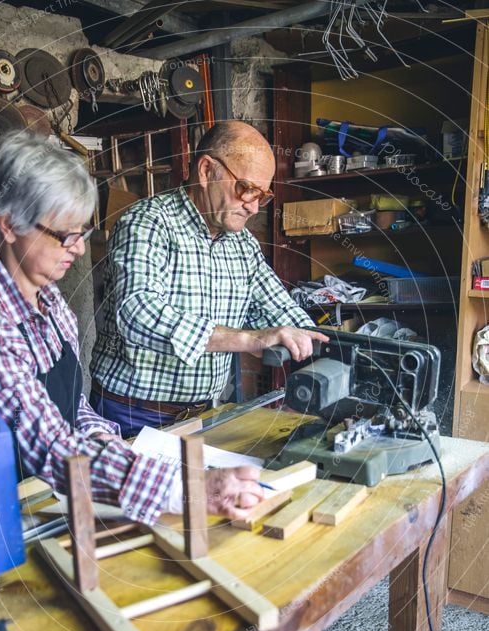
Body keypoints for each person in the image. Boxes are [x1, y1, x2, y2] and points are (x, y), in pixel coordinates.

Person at [0, 131, 265, 526]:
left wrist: (102, 436)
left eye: (83, 233)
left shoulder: (46, 299)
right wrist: (188, 489)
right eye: (67, 235)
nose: (81, 249)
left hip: (42, 500)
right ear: (9, 225)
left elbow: (68, 408)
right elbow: (49, 442)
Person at [90, 121, 327, 437]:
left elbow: (282, 314)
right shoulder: (147, 223)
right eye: (246, 189)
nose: (254, 207)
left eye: (263, 196)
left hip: (202, 415)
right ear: (205, 171)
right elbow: (137, 313)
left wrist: (331, 344)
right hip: (130, 416)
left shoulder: (242, 246)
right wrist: (248, 340)